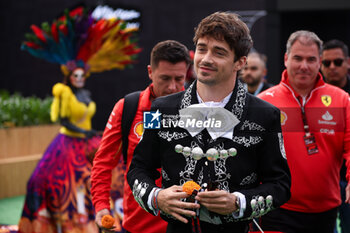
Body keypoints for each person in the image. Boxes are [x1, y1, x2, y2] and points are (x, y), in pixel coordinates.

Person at [126, 12, 291, 233]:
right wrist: (157, 197)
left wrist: (238, 203)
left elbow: (280, 185)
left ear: (240, 63)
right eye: (202, 48)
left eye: (219, 52)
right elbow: (138, 168)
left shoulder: (265, 114)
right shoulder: (159, 109)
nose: (206, 59)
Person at [18, 7, 141, 233]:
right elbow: (63, 120)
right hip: (67, 144)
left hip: (86, 142)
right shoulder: (63, 92)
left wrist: (90, 134)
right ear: (69, 76)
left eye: (82, 75)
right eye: (76, 76)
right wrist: (84, 133)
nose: (79, 79)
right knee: (43, 180)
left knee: (112, 170)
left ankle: (110, 215)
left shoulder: (85, 95)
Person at [91, 40, 191, 233]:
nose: (172, 87)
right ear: (150, 72)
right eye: (165, 78)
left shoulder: (200, 110)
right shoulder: (129, 107)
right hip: (138, 226)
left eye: (179, 79)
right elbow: (103, 161)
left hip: (186, 225)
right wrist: (101, 205)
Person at [258, 31, 350, 233]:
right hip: (278, 209)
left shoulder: (341, 100)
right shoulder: (265, 102)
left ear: (319, 62)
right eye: (298, 58)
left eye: (311, 59)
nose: (304, 66)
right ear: (286, 59)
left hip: (325, 211)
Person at [321, 39, 350, 233]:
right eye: (326, 63)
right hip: (323, 177)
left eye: (337, 62)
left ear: (348, 62)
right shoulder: (311, 95)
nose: (332, 67)